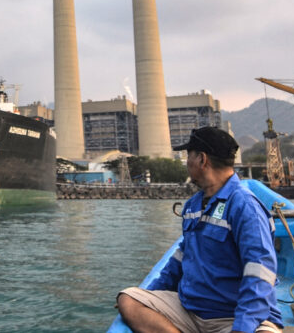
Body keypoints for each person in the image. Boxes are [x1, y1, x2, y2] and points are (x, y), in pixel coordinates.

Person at [116, 126, 283, 333]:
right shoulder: (193, 205)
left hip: (236, 316)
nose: (187, 163)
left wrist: (242, 328)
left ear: (202, 160)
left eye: (189, 156)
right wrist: (149, 296)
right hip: (192, 311)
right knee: (129, 300)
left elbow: (260, 272)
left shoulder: (244, 206)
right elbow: (180, 259)